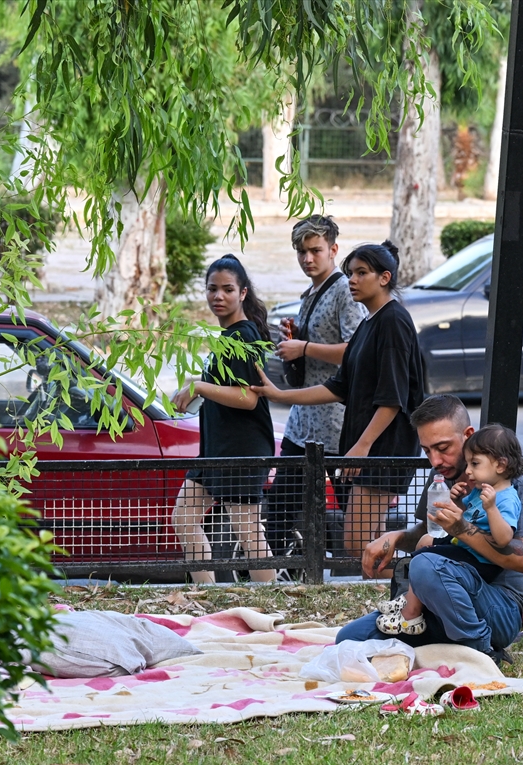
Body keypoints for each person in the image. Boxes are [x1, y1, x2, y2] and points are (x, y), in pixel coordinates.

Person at [253, 241, 425, 559]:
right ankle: (399, 599)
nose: (352, 281)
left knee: (357, 545)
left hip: (382, 450)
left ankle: (421, 576)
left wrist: (361, 447)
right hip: (368, 448)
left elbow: (393, 398)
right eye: (350, 273)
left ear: (384, 277)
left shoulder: (393, 322)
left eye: (361, 273)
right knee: (370, 546)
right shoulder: (370, 323)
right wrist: (280, 395)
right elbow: (337, 386)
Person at [336, 395, 523, 663]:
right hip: (439, 597)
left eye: (443, 448)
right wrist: (394, 537)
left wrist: (461, 528)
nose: (435, 460)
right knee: (348, 639)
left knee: (425, 566)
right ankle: (438, 637)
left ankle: (481, 650)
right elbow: (429, 531)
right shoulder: (442, 477)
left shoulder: (508, 485)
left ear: (468, 435)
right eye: (427, 450)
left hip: (495, 606)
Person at [172, 255, 277, 584]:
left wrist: (199, 385)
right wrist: (198, 385)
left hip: (240, 451)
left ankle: (276, 603)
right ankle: (207, 598)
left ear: (243, 293)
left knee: (249, 534)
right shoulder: (229, 337)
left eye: (227, 289)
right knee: (184, 518)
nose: (218, 296)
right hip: (216, 451)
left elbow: (247, 398)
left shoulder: (241, 337)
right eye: (212, 289)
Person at [266, 215, 363, 550]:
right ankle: (276, 579)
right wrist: (293, 341)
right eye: (301, 251)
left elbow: (356, 350)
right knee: (279, 510)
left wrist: (303, 346)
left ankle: (353, 576)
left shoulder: (344, 291)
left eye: (315, 250)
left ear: (333, 249)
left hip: (336, 424)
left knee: (353, 513)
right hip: (302, 421)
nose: (307, 259)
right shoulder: (312, 292)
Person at [375, 423, 523, 636]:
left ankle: (411, 616)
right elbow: (470, 517)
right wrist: (457, 501)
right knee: (424, 545)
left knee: (424, 560)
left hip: (482, 561)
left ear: (500, 465)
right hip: (467, 549)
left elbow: (504, 538)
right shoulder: (481, 490)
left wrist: (491, 508)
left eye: (474, 464)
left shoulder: (506, 497)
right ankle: (408, 601)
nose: (468, 471)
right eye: (468, 464)